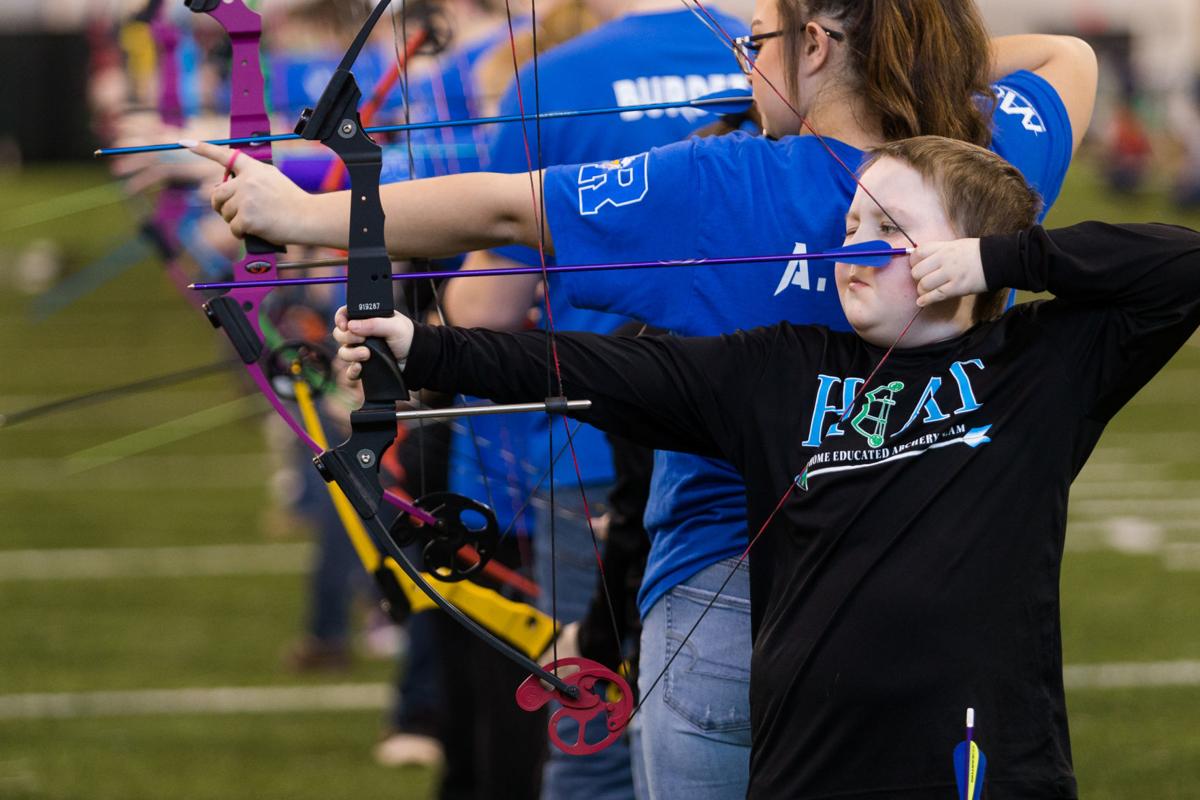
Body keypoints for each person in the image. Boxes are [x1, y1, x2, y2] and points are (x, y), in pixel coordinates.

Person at [184, 1, 1097, 795]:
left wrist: (296, 214)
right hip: (932, 605)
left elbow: (505, 210)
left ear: (815, 45)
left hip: (724, 602)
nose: (746, 62)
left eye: (757, 41)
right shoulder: (985, 166)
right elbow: (1069, 59)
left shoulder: (716, 177)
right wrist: (905, 67)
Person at [330, 134, 1200, 799]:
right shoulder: (781, 368)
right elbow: (591, 371)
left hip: (985, 758)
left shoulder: (1039, 366)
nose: (851, 248)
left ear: (960, 253)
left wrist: (1003, 262)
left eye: (889, 230)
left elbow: (1181, 265)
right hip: (806, 761)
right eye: (852, 223)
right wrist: (419, 347)